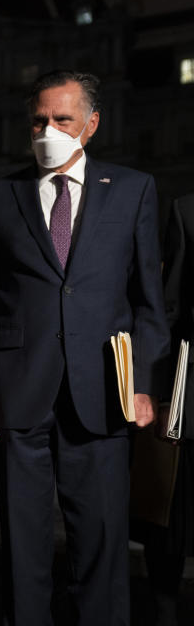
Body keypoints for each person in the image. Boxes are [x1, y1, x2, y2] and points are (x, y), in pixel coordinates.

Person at [0, 70, 170, 625]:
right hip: (17, 393)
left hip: (102, 392)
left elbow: (149, 302)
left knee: (102, 547)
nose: (47, 129)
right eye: (39, 120)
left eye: (62, 119)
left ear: (92, 124)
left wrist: (143, 383)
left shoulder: (134, 190)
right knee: (22, 548)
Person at [132, 193, 194, 626]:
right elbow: (168, 308)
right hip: (188, 380)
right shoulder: (186, 209)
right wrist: (153, 389)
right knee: (171, 506)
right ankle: (165, 607)